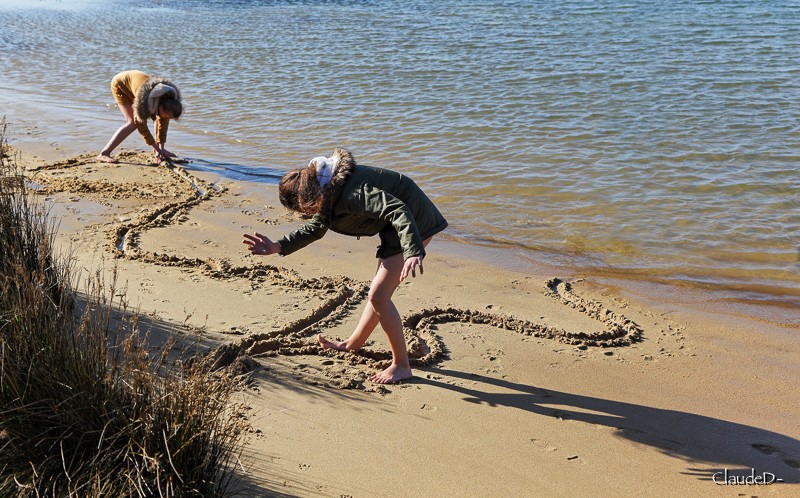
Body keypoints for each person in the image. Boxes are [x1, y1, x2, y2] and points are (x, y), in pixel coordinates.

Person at [243, 147, 447, 384]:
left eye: (304, 209)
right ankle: (353, 344)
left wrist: (413, 250)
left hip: (414, 222)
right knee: (377, 295)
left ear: (308, 197)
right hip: (394, 228)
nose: (307, 214)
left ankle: (401, 365)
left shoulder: (353, 193)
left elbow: (398, 210)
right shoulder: (326, 188)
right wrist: (277, 246)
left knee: (379, 296)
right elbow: (316, 228)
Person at [97, 70, 183, 163]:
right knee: (132, 123)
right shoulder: (143, 102)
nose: (166, 119)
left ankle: (157, 151)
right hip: (120, 83)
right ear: (161, 106)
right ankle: (104, 153)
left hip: (138, 83)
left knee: (160, 118)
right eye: (166, 116)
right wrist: (156, 147)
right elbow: (142, 127)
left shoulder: (170, 100)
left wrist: (160, 148)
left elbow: (163, 123)